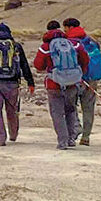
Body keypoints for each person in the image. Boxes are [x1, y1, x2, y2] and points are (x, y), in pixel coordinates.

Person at [32, 20, 89, 150]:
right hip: (72, 83)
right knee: (70, 110)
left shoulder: (45, 47)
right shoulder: (73, 44)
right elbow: (85, 59)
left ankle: (62, 141)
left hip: (54, 84)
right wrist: (79, 74)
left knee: (57, 114)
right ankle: (71, 139)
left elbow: (38, 65)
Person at [0, 22, 34, 146]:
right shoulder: (16, 46)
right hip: (12, 83)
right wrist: (30, 82)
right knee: (11, 109)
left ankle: (0, 138)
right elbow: (24, 65)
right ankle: (13, 134)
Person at [63, 18, 101, 146]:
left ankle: (75, 129)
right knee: (88, 108)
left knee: (70, 107)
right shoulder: (92, 40)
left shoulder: (68, 41)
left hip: (75, 79)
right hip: (93, 78)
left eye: (65, 27)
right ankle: (86, 137)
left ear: (69, 27)